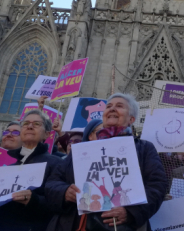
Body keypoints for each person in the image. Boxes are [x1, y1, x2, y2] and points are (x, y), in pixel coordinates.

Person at [44, 93, 167, 231]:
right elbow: (53, 182)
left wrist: (132, 212)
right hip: (75, 224)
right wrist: (64, 192)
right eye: (109, 106)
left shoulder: (144, 148)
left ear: (131, 119)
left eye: (119, 106)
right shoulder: (81, 150)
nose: (112, 108)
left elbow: (157, 185)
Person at [0, 109, 61, 231]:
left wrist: (34, 200)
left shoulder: (56, 163)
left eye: (37, 124)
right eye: (26, 124)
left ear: (46, 134)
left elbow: (59, 204)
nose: (30, 126)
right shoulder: (8, 165)